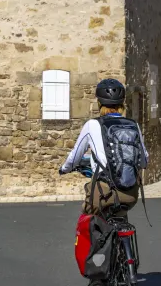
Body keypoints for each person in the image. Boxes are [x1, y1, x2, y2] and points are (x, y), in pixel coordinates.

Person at [59, 78, 150, 218]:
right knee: (121, 217)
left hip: (103, 194)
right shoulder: (133, 125)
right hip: (130, 195)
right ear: (122, 104)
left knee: (86, 219)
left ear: (99, 103)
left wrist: (64, 169)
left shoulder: (92, 125)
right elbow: (144, 161)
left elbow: (75, 156)